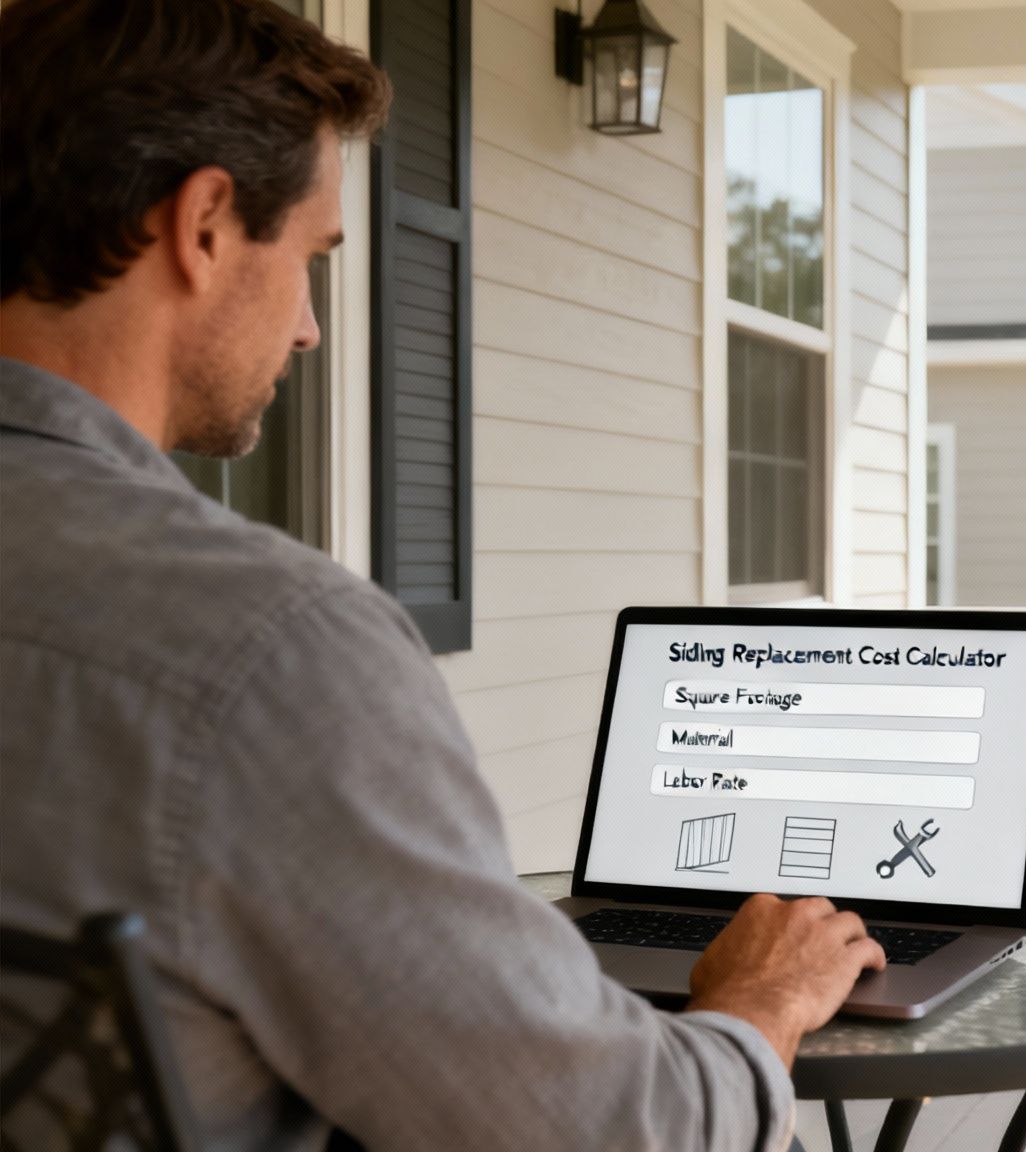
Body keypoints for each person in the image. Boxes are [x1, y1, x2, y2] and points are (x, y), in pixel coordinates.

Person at [0, 1, 883, 1148]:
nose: (313, 329)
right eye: (313, 257)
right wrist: (761, 1001)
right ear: (206, 225)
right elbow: (612, 1132)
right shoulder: (266, 648)